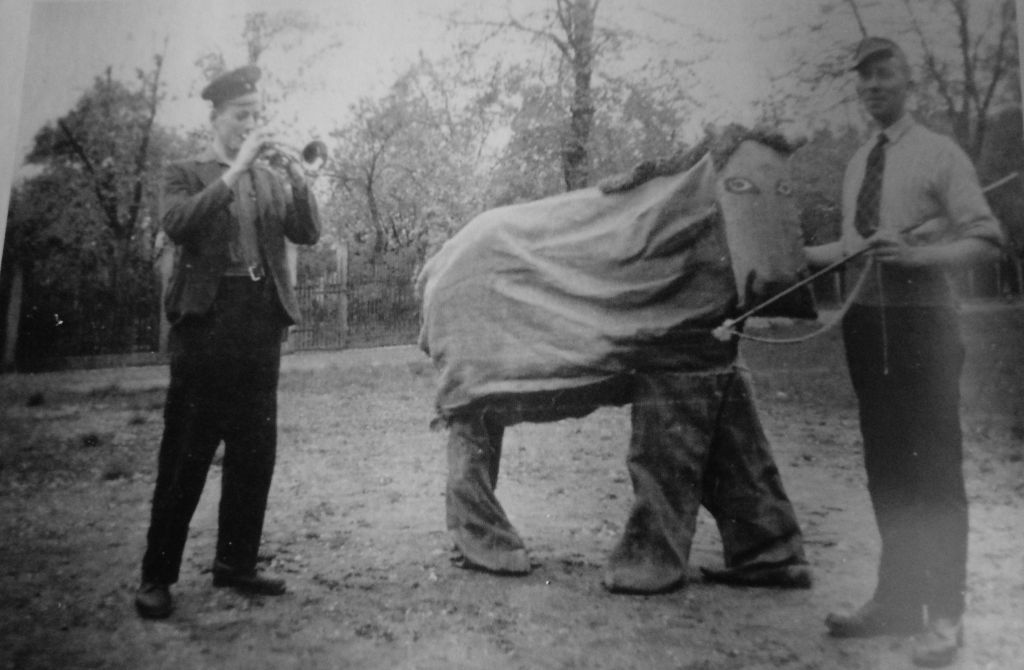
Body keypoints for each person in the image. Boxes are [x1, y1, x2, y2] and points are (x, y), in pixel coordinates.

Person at [804, 37, 1004, 667]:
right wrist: (777, 261)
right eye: (862, 80)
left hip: (925, 332)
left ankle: (944, 617)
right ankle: (896, 600)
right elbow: (848, 248)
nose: (872, 88)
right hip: (867, 328)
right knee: (886, 469)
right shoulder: (860, 159)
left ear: (906, 80)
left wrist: (916, 256)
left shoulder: (940, 153)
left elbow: (985, 240)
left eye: (882, 76)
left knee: (934, 474)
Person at [134, 65, 320, 619]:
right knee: (186, 453)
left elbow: (307, 233)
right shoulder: (184, 172)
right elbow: (178, 224)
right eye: (242, 116)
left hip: (259, 323)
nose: (252, 125)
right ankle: (157, 576)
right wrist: (235, 169)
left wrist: (300, 182)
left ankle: (235, 563)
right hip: (206, 327)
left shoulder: (267, 180)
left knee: (254, 451)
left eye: (256, 116)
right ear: (216, 117)